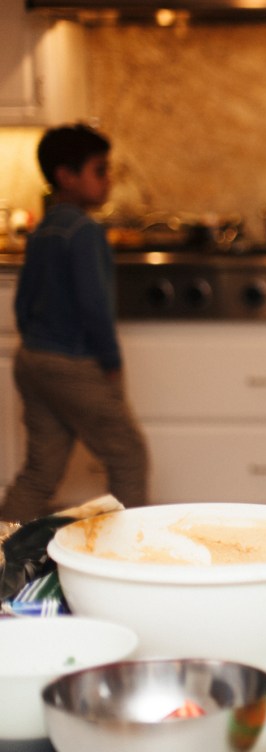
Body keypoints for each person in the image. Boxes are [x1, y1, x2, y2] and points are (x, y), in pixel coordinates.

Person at [0, 124, 148, 523]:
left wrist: (37, 343)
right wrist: (111, 362)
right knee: (129, 456)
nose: (108, 181)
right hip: (72, 363)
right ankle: (132, 557)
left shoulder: (44, 229)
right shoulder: (84, 232)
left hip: (32, 358)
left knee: (40, 473)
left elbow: (23, 302)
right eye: (100, 171)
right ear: (67, 176)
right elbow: (94, 307)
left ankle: (2, 556)